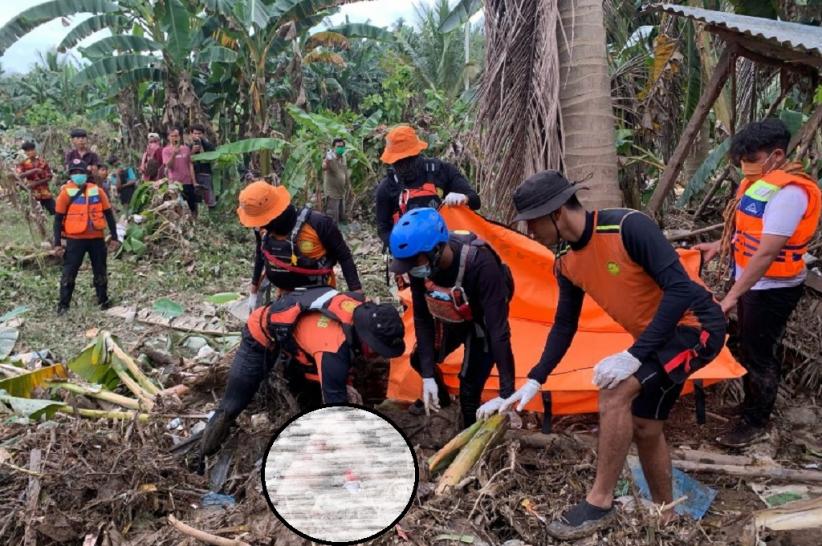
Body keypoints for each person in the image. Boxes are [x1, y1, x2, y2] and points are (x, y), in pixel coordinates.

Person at [494, 171, 726, 540]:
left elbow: (680, 289)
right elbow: (564, 325)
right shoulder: (567, 264)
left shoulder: (628, 227)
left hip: (696, 327)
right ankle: (666, 515)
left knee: (615, 390)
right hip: (657, 339)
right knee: (646, 428)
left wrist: (634, 355)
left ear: (556, 212)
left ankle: (599, 503)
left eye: (533, 222)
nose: (531, 232)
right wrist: (535, 379)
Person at [693, 119, 821, 448]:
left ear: (776, 155)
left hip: (774, 289)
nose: (745, 164)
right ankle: (751, 407)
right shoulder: (761, 183)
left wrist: (732, 297)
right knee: (749, 346)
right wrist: (719, 247)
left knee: (760, 353)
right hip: (752, 283)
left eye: (753, 157)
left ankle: (757, 422)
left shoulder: (791, 194)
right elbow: (747, 231)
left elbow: (765, 254)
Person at [199, 285, 405, 459]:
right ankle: (203, 455)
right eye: (377, 349)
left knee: (309, 399)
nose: (378, 355)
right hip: (260, 334)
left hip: (299, 342)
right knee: (232, 404)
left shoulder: (362, 309)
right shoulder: (332, 349)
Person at [389, 207, 516, 427]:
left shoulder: (481, 264)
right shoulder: (420, 267)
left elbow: (499, 330)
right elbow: (422, 318)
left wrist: (507, 391)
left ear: (436, 249)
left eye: (413, 263)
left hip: (482, 325)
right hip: (450, 319)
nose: (410, 270)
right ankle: (441, 397)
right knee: (420, 359)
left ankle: (469, 436)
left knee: (469, 390)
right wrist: (428, 376)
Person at [238, 181, 362, 297]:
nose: (259, 226)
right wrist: (254, 290)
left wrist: (357, 293)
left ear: (272, 217)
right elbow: (261, 253)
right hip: (285, 295)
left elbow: (344, 256)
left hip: (320, 294)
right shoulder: (261, 229)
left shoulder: (318, 224)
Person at [375, 125, 481, 246]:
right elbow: (383, 228)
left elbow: (476, 201)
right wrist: (400, 247)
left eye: (408, 160)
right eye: (398, 162)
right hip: (408, 247)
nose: (403, 167)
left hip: (445, 242)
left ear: (418, 153)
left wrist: (464, 198)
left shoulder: (441, 171)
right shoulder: (387, 187)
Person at [53, 159, 120, 315]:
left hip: (97, 238)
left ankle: (103, 301)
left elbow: (109, 215)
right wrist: (57, 243)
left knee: (100, 270)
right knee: (70, 271)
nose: (78, 175)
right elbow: (57, 219)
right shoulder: (65, 193)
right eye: (75, 172)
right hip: (75, 239)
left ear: (86, 174)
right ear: (70, 174)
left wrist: (115, 237)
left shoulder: (97, 190)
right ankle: (63, 305)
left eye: (81, 172)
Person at [162, 126, 197, 216]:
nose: (175, 138)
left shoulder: (186, 149)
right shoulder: (166, 150)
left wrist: (194, 181)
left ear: (180, 137)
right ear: (168, 137)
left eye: (176, 136)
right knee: (177, 207)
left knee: (192, 206)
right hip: (174, 183)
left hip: (187, 182)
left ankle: (194, 224)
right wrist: (174, 153)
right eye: (172, 136)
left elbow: (190, 164)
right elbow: (168, 165)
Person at [15, 141, 55, 215]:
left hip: (45, 192)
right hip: (32, 194)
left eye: (32, 150)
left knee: (55, 211)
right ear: (25, 152)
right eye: (28, 151)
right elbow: (18, 175)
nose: (31, 152)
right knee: (37, 215)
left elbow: (49, 177)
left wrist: (36, 183)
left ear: (35, 150)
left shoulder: (42, 162)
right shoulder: (23, 164)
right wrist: (34, 170)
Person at [322, 137, 350, 225]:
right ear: (334, 147)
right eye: (338, 146)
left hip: (341, 192)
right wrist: (327, 159)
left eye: (342, 146)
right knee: (332, 218)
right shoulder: (330, 158)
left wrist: (349, 185)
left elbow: (345, 171)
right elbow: (324, 167)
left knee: (341, 215)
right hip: (332, 193)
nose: (340, 148)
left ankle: (340, 234)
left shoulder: (343, 157)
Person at [189, 124, 217, 209]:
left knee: (208, 194)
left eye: (199, 133)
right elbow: (186, 159)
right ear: (191, 134)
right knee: (195, 196)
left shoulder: (207, 143)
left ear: (203, 134)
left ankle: (211, 211)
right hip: (192, 174)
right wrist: (192, 151)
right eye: (195, 133)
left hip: (205, 172)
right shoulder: (188, 145)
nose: (197, 135)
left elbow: (212, 154)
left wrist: (202, 144)